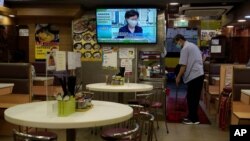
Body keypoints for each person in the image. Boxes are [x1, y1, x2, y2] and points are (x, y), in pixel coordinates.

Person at [174, 34, 204, 125]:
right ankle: (192, 116)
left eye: (176, 43)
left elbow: (183, 66)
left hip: (194, 76)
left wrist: (178, 77)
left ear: (180, 40)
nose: (177, 45)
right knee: (193, 98)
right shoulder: (192, 45)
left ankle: (194, 119)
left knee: (192, 98)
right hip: (199, 74)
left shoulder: (185, 48)